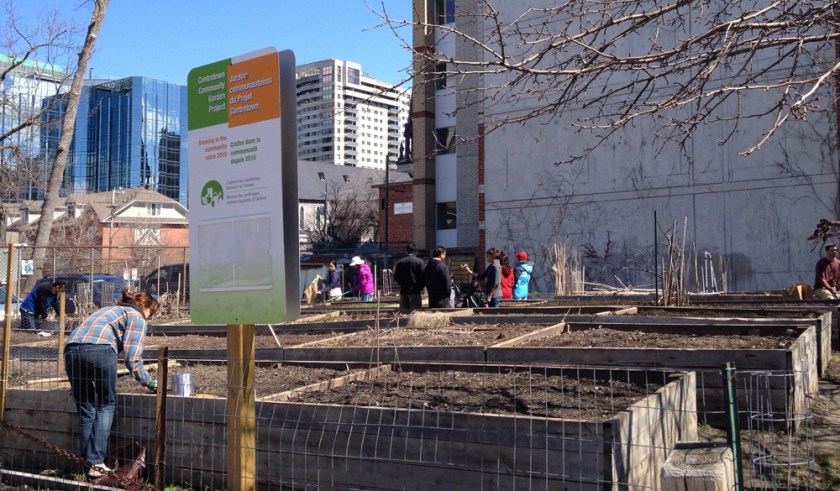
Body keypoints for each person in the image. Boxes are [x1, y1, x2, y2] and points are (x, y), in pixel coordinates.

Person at [63, 287, 159, 480]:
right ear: (145, 305)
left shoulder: (107, 310)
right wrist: (151, 383)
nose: (149, 317)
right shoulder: (136, 316)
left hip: (71, 350)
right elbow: (132, 358)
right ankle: (96, 463)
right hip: (100, 350)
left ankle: (89, 464)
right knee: (106, 404)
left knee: (86, 407)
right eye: (151, 312)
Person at [393, 243, 425, 313]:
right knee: (415, 313)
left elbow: (396, 276)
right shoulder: (419, 262)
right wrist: (420, 286)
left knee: (404, 314)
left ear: (407, 251)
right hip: (415, 291)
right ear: (416, 251)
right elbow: (423, 277)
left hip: (404, 291)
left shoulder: (400, 262)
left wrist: (402, 284)